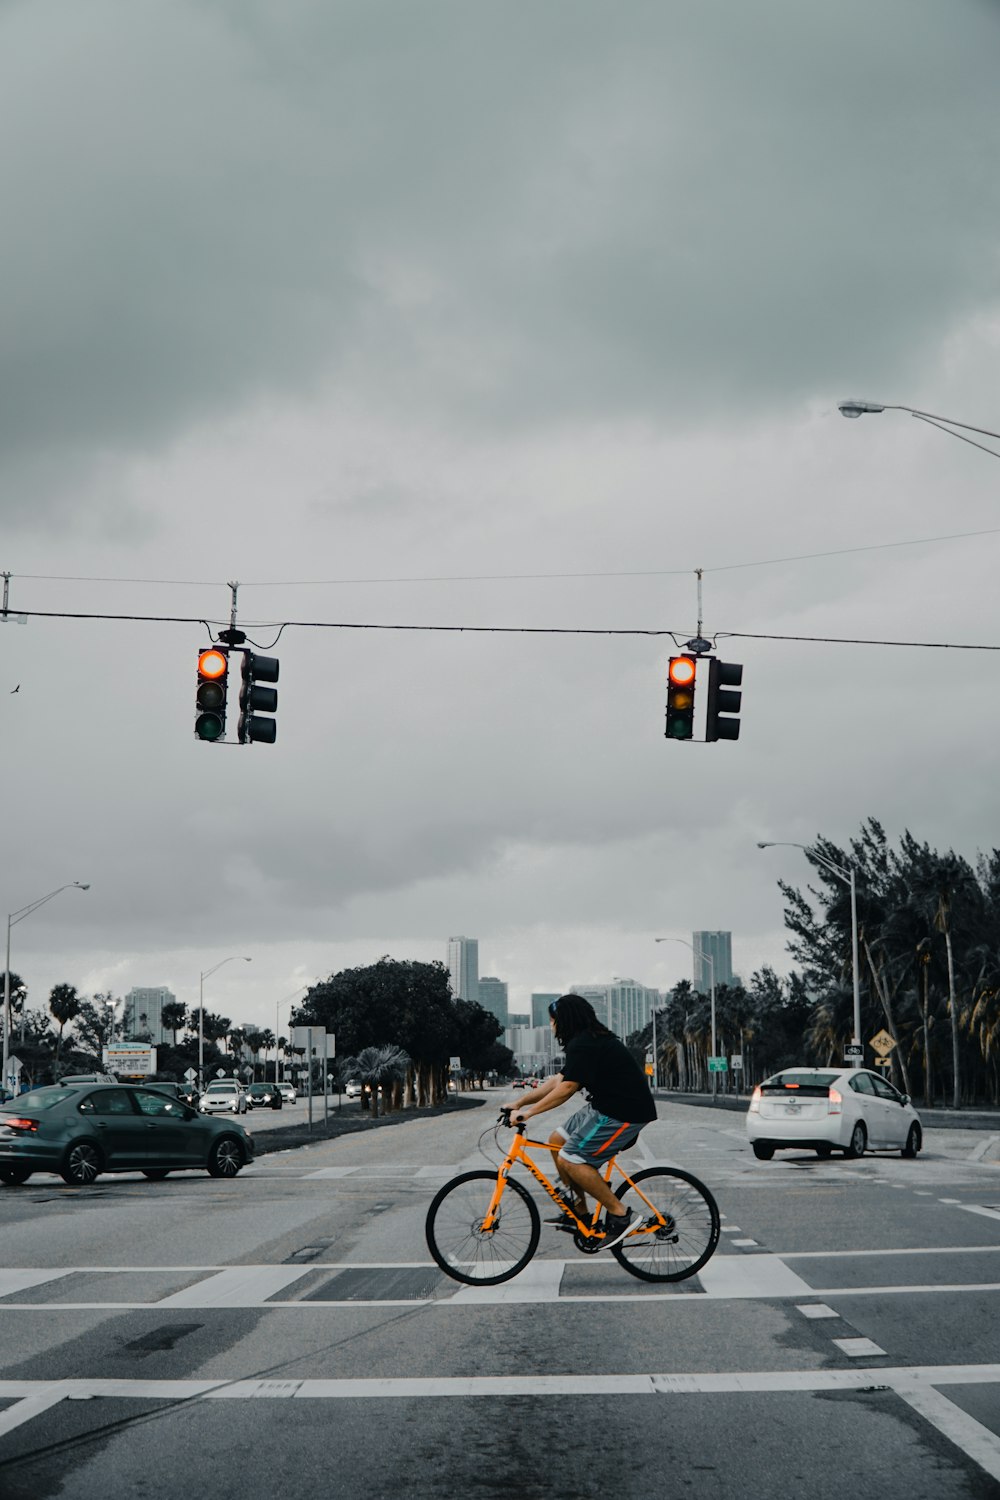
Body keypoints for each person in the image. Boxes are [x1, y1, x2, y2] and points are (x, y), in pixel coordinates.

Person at [504, 994, 657, 1249]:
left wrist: (529, 1114)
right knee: (557, 1141)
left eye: (553, 1021)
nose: (552, 1026)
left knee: (571, 1158)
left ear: (563, 1021)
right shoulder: (583, 1042)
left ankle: (621, 1215)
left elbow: (567, 1089)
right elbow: (557, 1082)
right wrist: (520, 1103)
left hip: (624, 1112)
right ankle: (580, 1213)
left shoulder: (586, 1044)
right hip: (604, 1107)